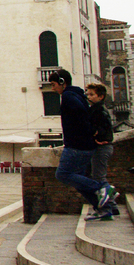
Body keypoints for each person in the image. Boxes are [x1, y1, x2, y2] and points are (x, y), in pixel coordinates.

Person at [50, 69, 116, 220]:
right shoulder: (78, 94)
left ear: (62, 82)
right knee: (79, 180)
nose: (53, 88)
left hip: (76, 145)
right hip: (85, 145)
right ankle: (104, 209)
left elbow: (81, 114)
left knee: (63, 174)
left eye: (54, 84)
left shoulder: (68, 96)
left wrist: (90, 131)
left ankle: (103, 188)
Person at [86, 83, 118, 219]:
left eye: (92, 94)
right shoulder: (97, 109)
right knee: (96, 176)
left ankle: (106, 206)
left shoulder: (99, 110)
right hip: (102, 147)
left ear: (101, 96)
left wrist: (98, 137)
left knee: (98, 178)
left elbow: (103, 128)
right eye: (88, 94)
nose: (89, 97)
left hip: (102, 148)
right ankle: (112, 206)